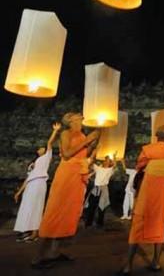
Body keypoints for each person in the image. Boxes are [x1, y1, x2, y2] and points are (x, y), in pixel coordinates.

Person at [32, 112, 100, 269]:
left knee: (68, 213)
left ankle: (54, 253)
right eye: (78, 116)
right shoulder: (65, 133)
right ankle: (38, 257)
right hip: (66, 175)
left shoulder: (82, 134)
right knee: (55, 211)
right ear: (70, 120)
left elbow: (84, 154)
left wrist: (95, 140)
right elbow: (68, 154)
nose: (82, 117)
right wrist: (87, 141)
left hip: (77, 175)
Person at [119, 125, 164, 274]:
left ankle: (128, 265)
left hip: (149, 187)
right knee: (160, 221)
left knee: (138, 221)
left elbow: (140, 165)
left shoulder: (148, 149)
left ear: (156, 135)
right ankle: (156, 262)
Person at [14, 123, 61, 242]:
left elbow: (50, 143)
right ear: (37, 151)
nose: (43, 149)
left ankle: (35, 232)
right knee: (27, 207)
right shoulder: (34, 164)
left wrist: (55, 131)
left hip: (39, 183)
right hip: (30, 185)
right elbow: (28, 178)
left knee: (36, 206)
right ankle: (25, 230)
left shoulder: (46, 158)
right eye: (41, 148)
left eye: (44, 148)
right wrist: (19, 192)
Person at [85, 154, 116, 228]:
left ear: (110, 163)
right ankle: (89, 223)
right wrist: (94, 154)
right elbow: (91, 163)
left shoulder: (110, 170)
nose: (106, 161)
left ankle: (100, 223)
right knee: (92, 206)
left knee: (101, 207)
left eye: (108, 160)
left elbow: (114, 165)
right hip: (96, 188)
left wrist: (114, 157)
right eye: (105, 160)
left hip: (104, 189)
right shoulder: (98, 168)